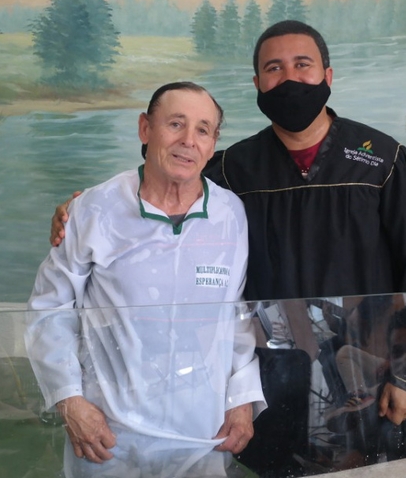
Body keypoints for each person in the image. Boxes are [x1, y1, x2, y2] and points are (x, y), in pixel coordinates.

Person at [50, 21, 406, 471]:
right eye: (273, 69)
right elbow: (166, 177)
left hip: (367, 369)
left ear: (328, 76)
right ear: (257, 84)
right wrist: (80, 209)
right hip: (272, 375)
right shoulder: (234, 169)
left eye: (303, 65)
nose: (290, 78)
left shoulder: (381, 161)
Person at [26, 81, 266, 478]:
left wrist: (241, 399)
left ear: (213, 144)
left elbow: (236, 316)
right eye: (176, 124)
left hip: (201, 435)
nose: (188, 140)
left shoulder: (230, 215)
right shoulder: (94, 209)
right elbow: (49, 308)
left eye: (203, 130)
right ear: (145, 129)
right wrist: (69, 400)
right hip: (109, 438)